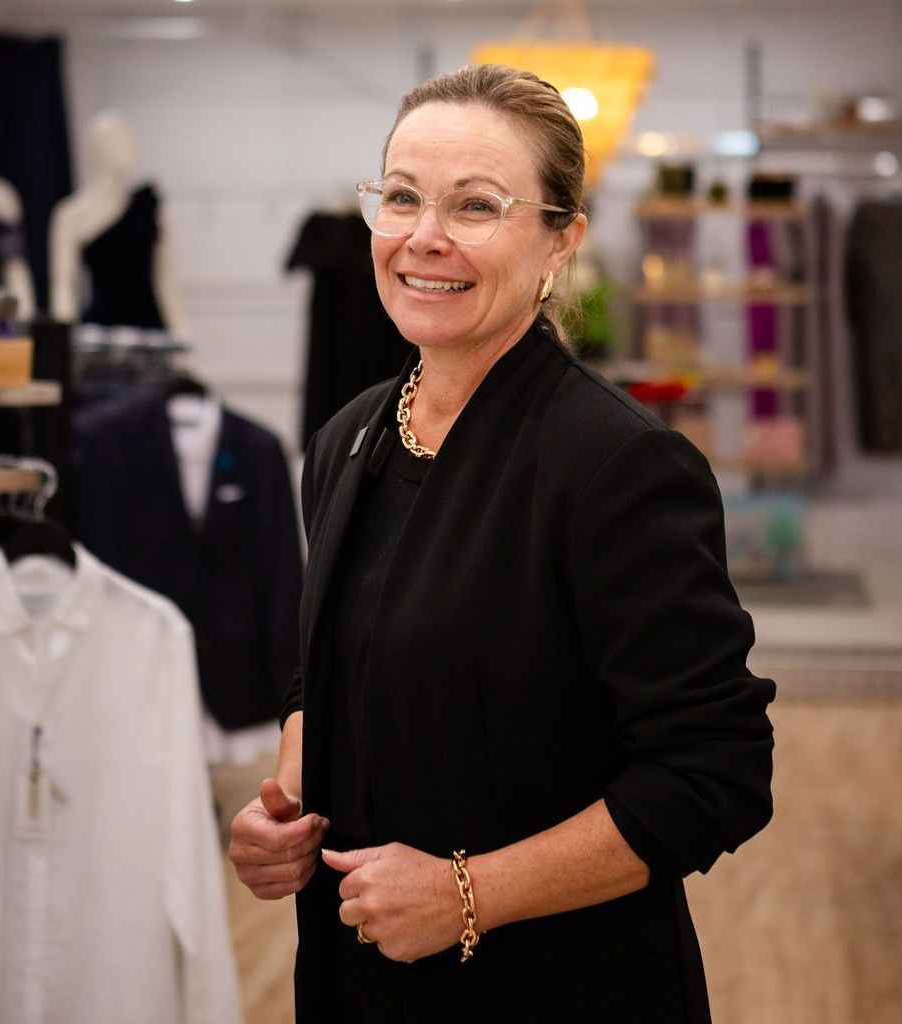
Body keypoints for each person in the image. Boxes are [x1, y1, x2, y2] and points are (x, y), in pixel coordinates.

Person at [229, 63, 776, 1023]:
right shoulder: (347, 440)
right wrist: (285, 800)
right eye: (401, 196)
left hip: (556, 988)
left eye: (476, 206)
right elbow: (328, 673)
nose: (423, 237)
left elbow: (714, 771)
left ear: (561, 241)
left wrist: (467, 893)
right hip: (359, 982)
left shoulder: (612, 465)